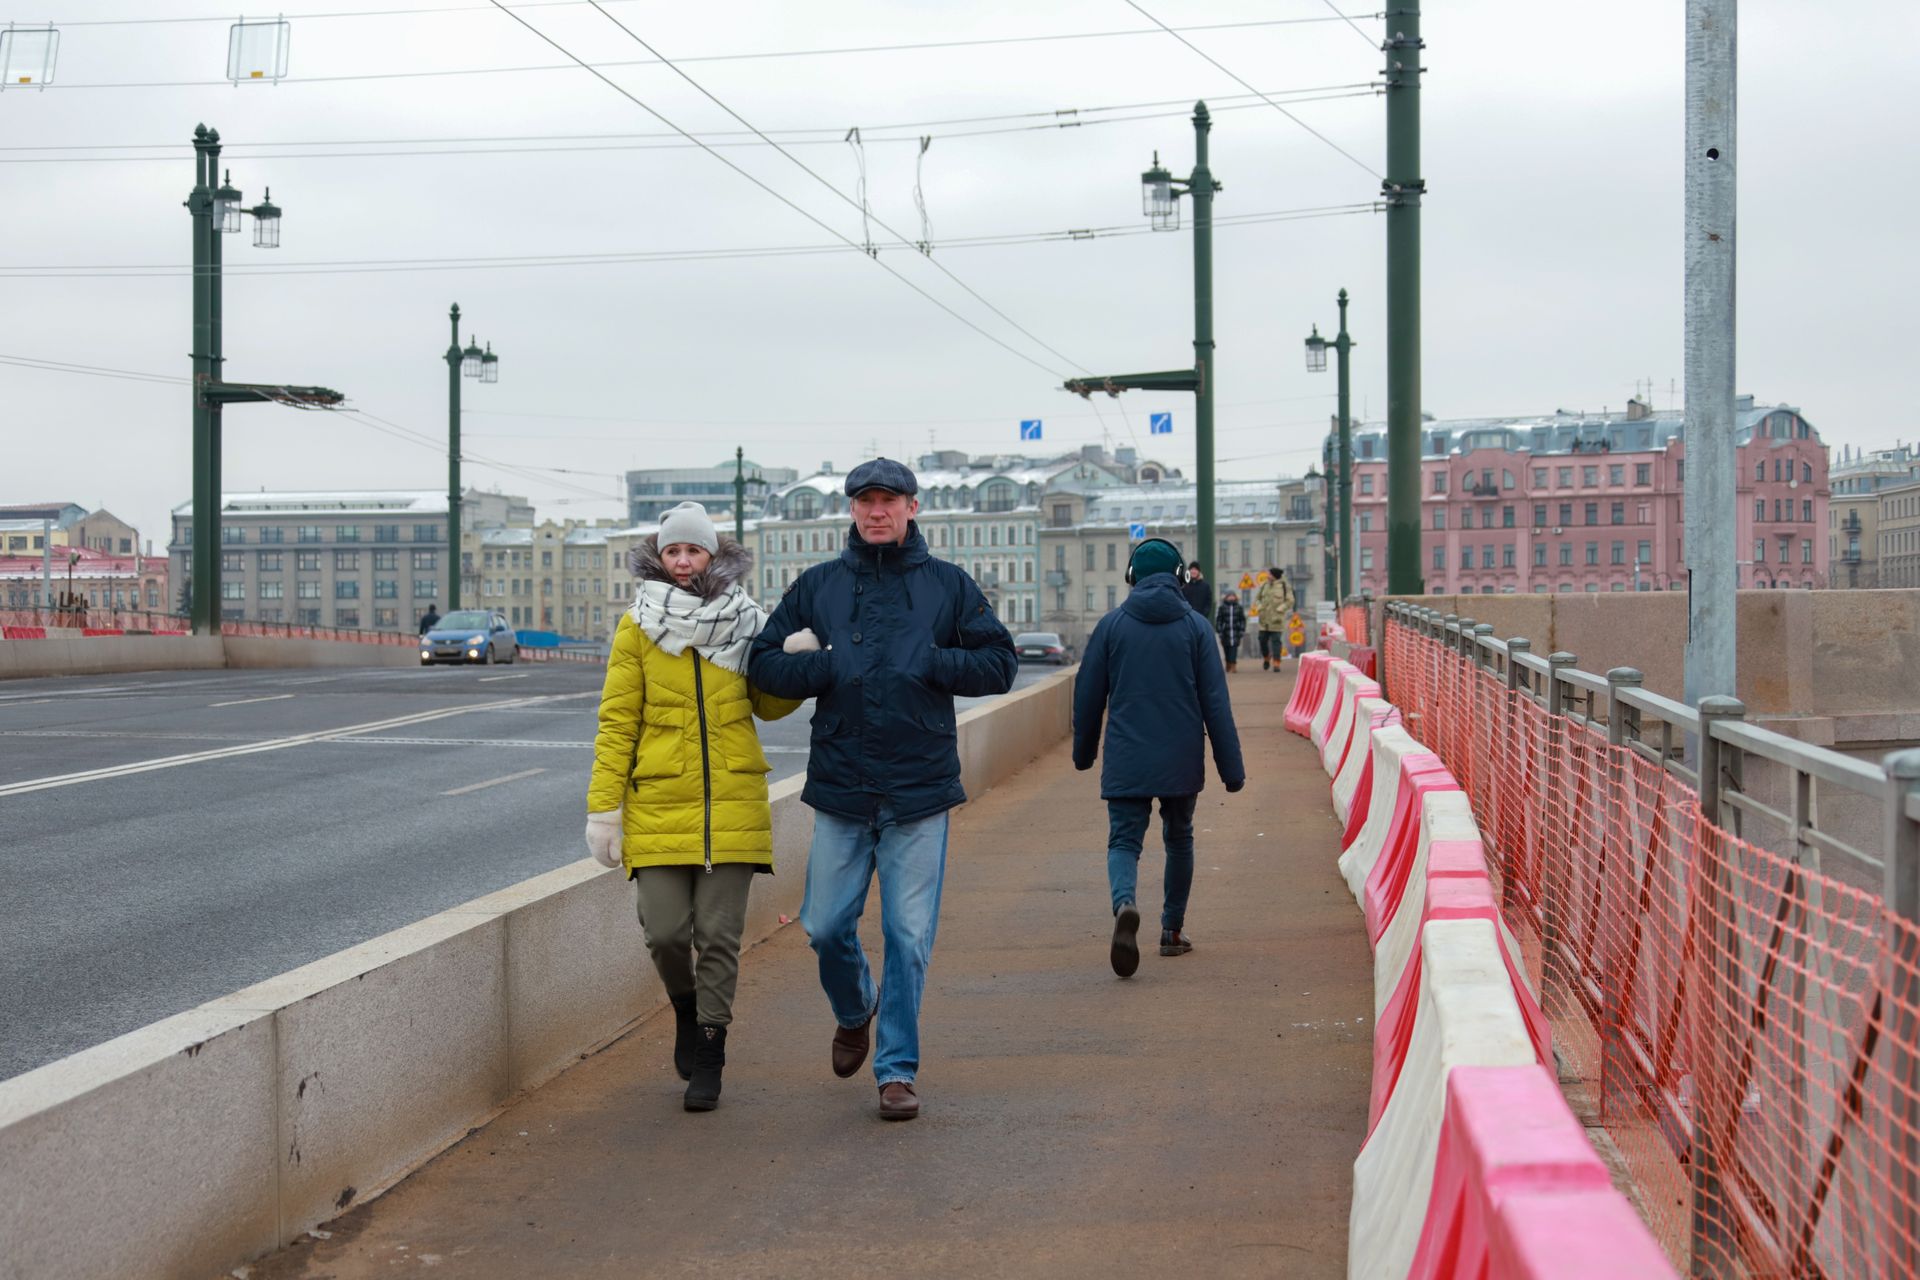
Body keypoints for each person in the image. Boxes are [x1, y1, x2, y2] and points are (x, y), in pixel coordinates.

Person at [748, 458, 1017, 1121]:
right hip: (842, 787)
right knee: (824, 926)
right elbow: (764, 663)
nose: (876, 511)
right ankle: (853, 1007)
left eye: (889, 501)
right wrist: (828, 665)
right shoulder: (818, 587)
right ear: (850, 511)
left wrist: (930, 660)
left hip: (919, 791)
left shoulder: (947, 587)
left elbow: (1001, 663)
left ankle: (896, 1071)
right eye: (865, 501)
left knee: (908, 933)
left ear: (912, 508)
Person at [585, 502, 802, 1113]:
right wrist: (605, 810)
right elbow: (617, 722)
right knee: (664, 932)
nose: (684, 562)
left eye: (694, 551)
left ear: (713, 556)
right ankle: (686, 1010)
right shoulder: (637, 626)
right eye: (674, 551)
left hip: (732, 803)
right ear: (660, 556)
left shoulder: (748, 622)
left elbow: (769, 705)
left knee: (718, 936)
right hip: (657, 802)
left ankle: (710, 1051)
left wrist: (798, 662)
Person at [1072, 538, 1245, 977]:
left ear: (1132, 577)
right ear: (1182, 578)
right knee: (1179, 837)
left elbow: (1088, 696)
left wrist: (1083, 753)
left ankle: (1125, 904)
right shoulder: (1196, 628)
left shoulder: (1111, 626)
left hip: (1127, 755)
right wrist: (1232, 770)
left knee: (1124, 841)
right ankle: (1171, 932)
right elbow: (1216, 704)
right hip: (1180, 758)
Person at [1253, 568, 1295, 672]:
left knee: (1276, 641)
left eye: (1270, 574)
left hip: (1277, 620)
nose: (1268, 576)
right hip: (1264, 619)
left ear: (1275, 575)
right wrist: (1259, 606)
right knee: (1262, 640)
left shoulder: (1284, 586)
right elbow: (1257, 598)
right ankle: (1266, 657)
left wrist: (1281, 608)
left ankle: (1276, 662)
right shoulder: (1264, 585)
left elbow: (1290, 601)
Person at [1213, 589, 1246, 673]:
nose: (1231, 597)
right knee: (1226, 649)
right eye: (1229, 596)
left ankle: (1233, 665)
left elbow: (1242, 620)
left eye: (1233, 596)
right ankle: (1228, 663)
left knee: (1234, 649)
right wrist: (1219, 630)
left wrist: (1242, 630)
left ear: (1235, 597)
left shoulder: (1239, 607)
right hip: (1225, 633)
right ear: (1226, 597)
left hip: (1236, 633)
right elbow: (1219, 620)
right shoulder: (1222, 607)